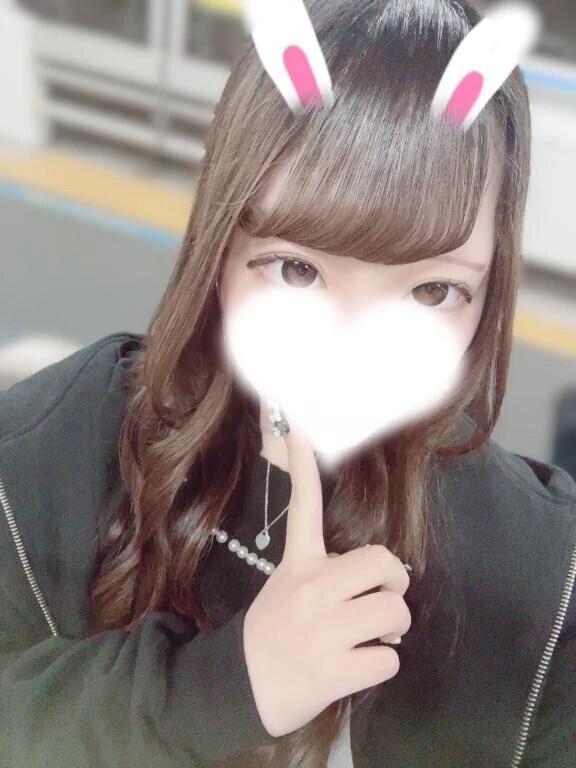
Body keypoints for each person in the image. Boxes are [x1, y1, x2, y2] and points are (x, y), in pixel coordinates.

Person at [0, 1, 575, 767]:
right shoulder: (56, 451)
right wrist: (222, 688)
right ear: (218, 251)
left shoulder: (547, 587)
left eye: (433, 290)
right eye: (298, 269)